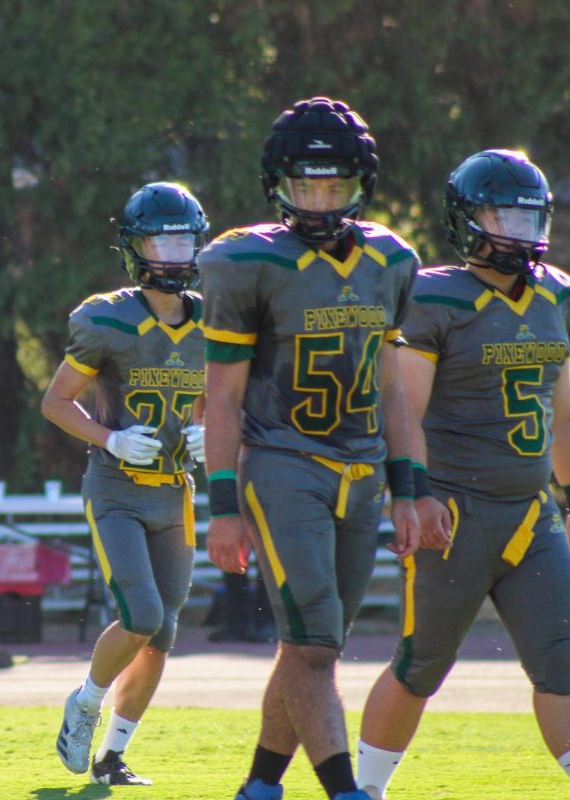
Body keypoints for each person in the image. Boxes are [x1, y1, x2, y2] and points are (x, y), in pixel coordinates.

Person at [355, 150, 570, 800]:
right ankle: (362, 791)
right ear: (466, 217)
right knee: (421, 665)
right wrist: (414, 495)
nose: (514, 226)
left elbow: (563, 415)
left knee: (561, 665)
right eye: (500, 212)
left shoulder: (559, 295)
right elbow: (407, 413)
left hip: (530, 514)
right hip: (454, 516)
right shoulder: (430, 295)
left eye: (525, 213)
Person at [198, 97, 420, 800]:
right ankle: (343, 790)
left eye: (335, 186)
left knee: (307, 645)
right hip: (282, 462)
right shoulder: (244, 259)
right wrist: (224, 506)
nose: (321, 201)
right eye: (307, 185)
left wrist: (411, 487)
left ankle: (261, 784)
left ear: (360, 183)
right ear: (279, 184)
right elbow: (224, 399)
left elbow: (391, 391)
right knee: (318, 646)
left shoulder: (391, 257)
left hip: (361, 471)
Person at [43, 181, 209, 787]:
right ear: (135, 247)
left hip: (176, 493)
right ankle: (84, 703)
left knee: (161, 635)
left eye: (183, 236)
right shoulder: (106, 317)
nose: (172, 249)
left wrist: (210, 429)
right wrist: (108, 438)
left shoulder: (213, 319)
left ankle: (114, 755)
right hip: (117, 487)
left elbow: (221, 398)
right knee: (140, 614)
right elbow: (56, 401)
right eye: (160, 238)